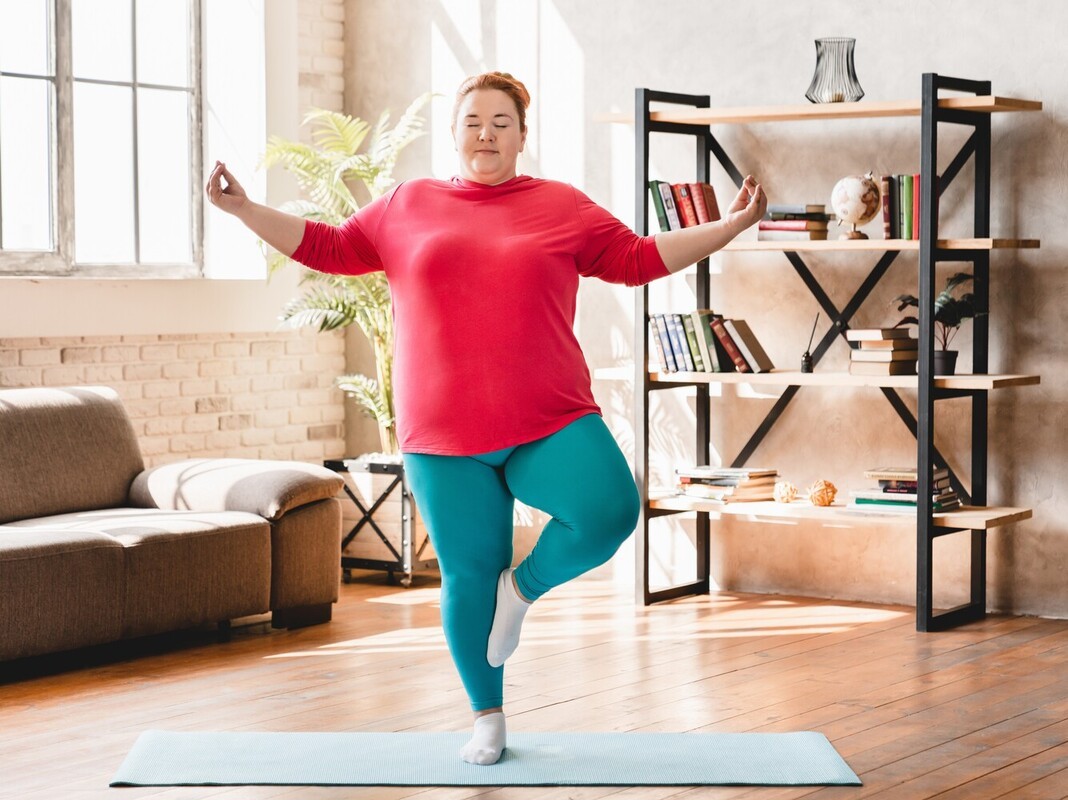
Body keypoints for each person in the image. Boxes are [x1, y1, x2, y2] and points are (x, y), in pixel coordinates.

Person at [207, 71, 766, 766]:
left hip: (549, 415)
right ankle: (488, 717)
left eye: (502, 122)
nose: (486, 134)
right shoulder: (407, 204)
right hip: (442, 434)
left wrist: (732, 226)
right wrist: (245, 211)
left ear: (523, 137)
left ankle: (522, 589)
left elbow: (638, 259)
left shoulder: (561, 206)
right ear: (455, 131)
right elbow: (328, 247)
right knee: (469, 574)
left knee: (610, 511)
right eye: (474, 120)